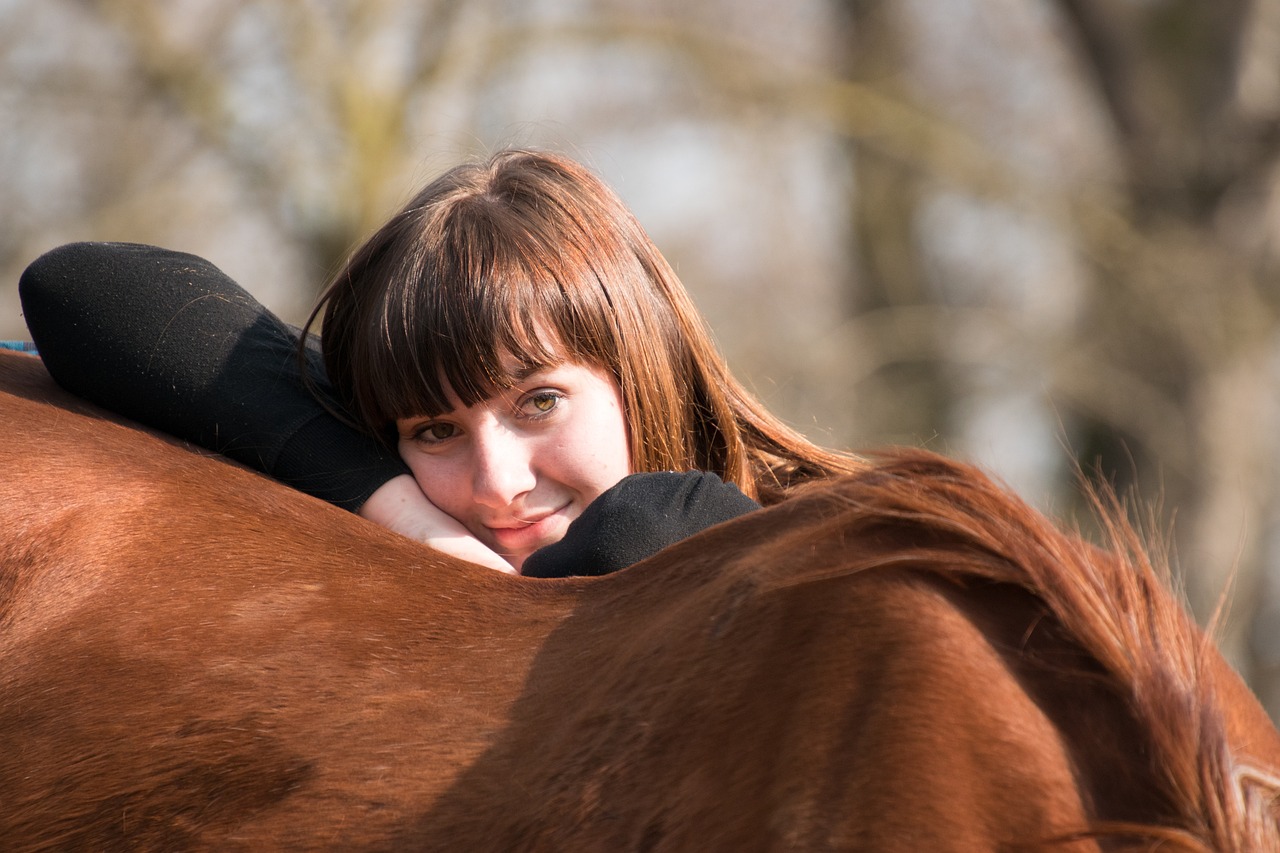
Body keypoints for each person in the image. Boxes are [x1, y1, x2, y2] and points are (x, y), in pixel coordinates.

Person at [20, 149, 864, 576]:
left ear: (640, 366)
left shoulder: (836, 541)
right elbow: (77, 287)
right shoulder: (419, 505)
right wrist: (409, 520)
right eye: (435, 429)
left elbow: (649, 531)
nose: (496, 482)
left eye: (539, 403)